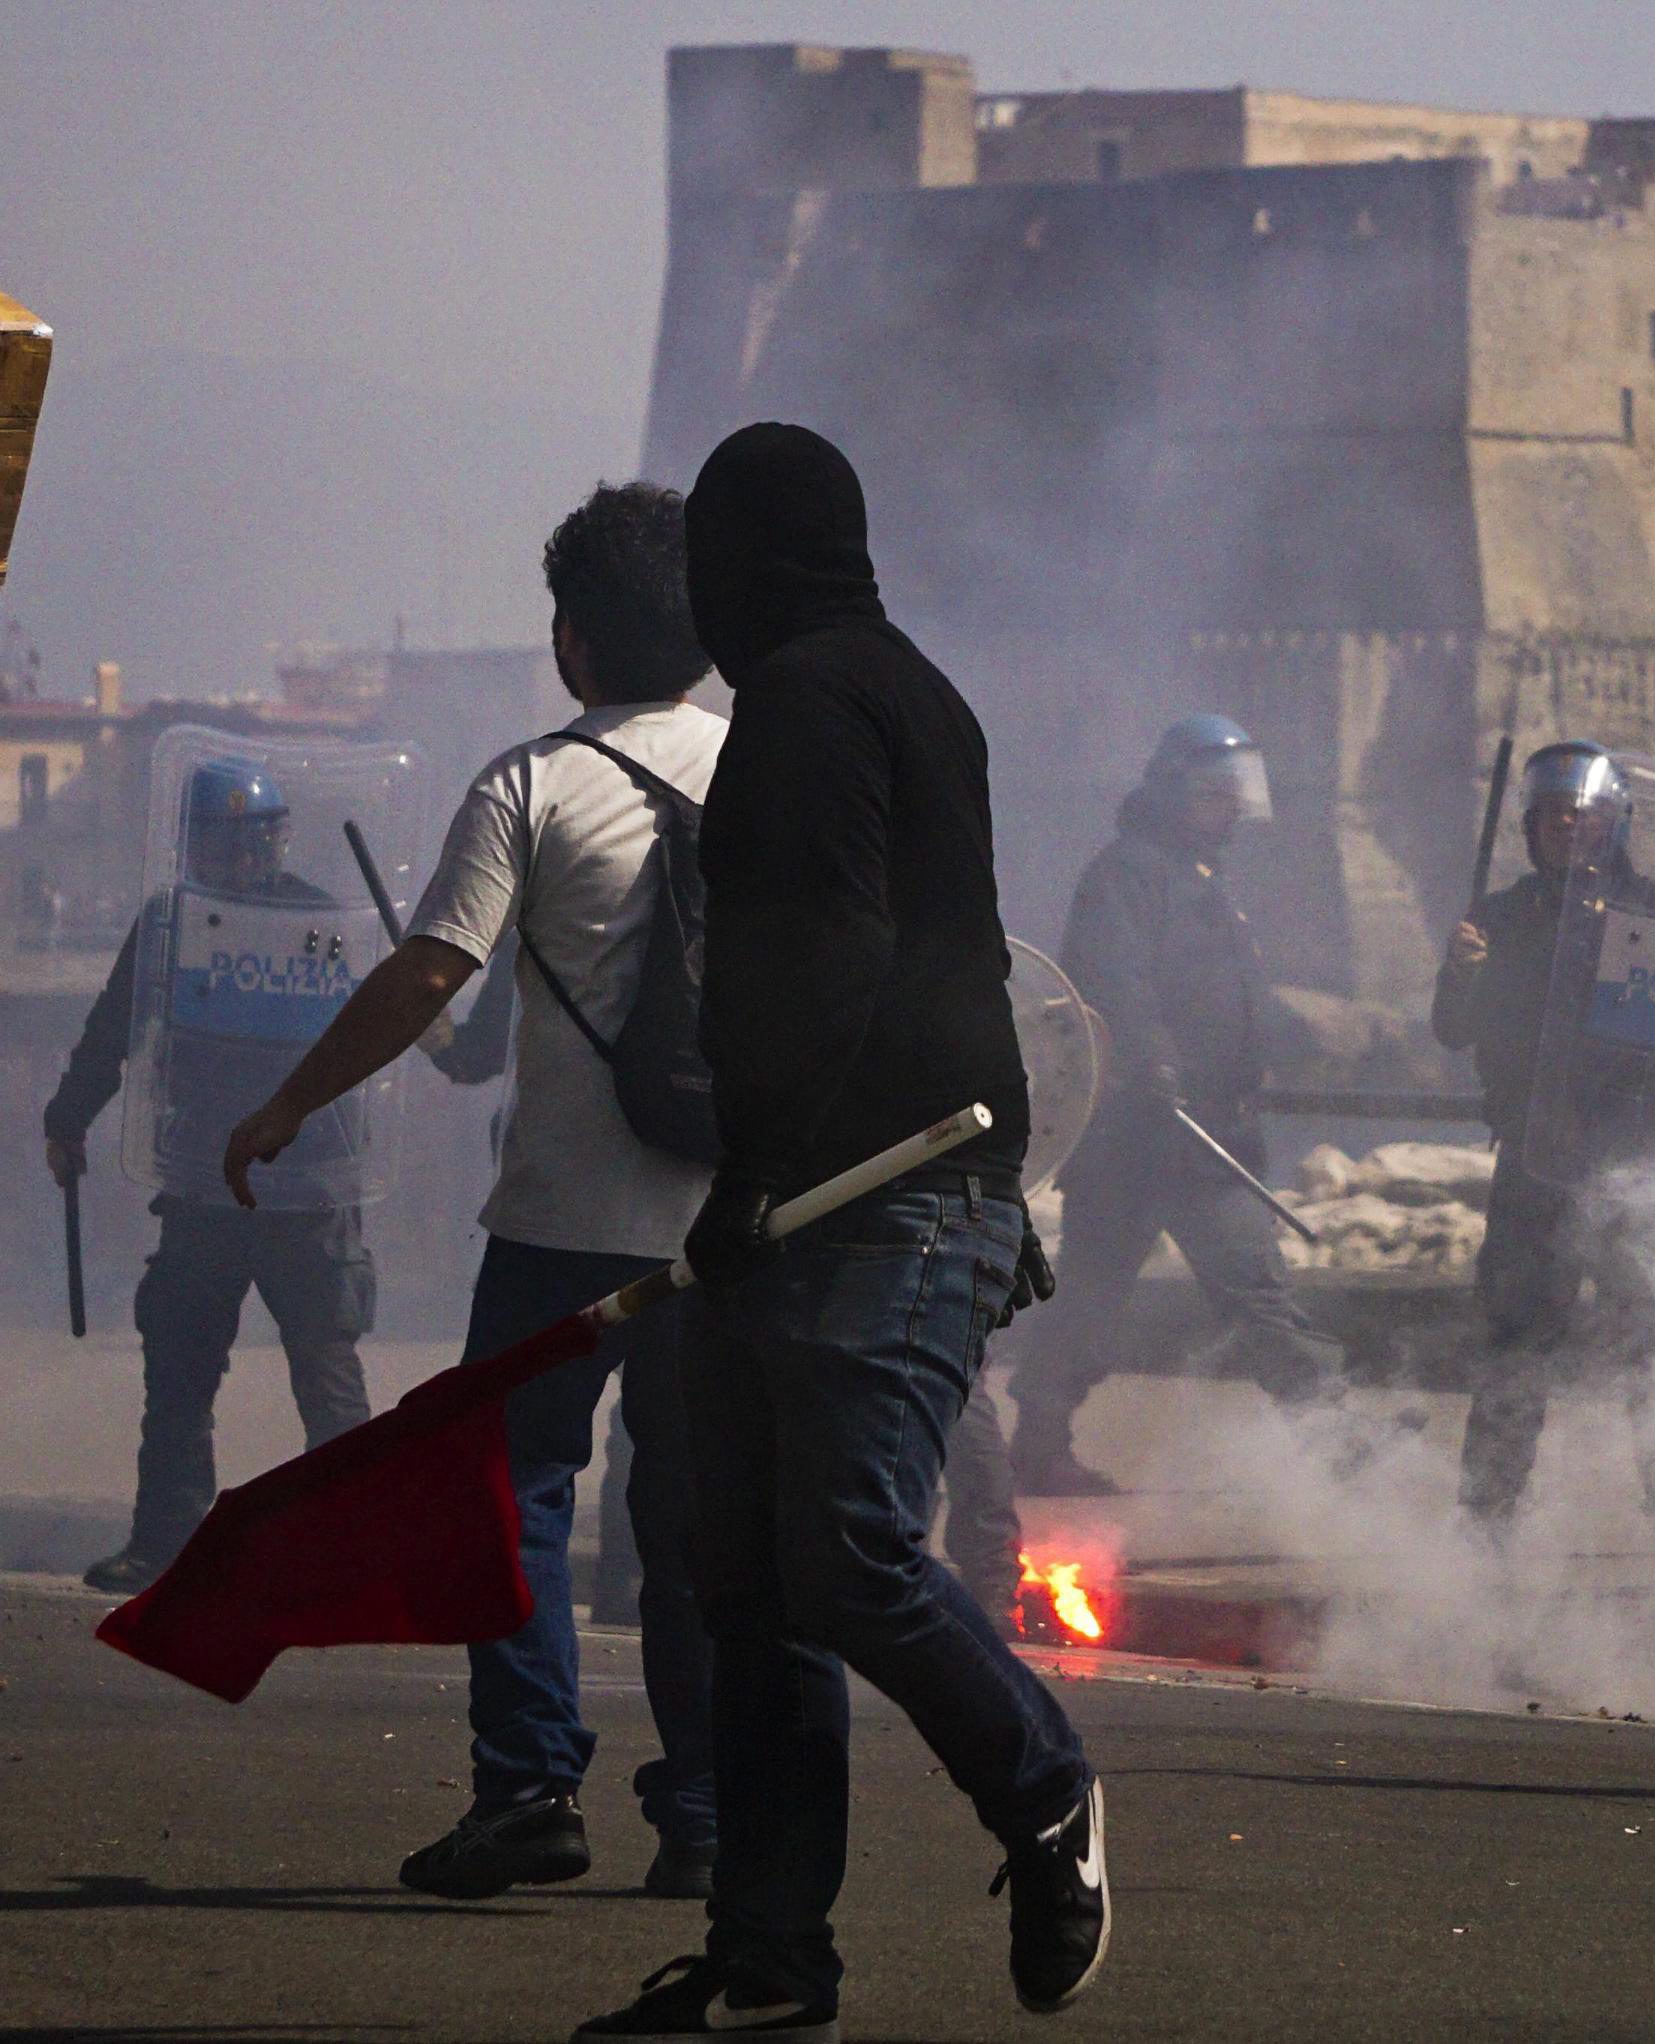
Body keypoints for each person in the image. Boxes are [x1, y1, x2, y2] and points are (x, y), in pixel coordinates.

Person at [572, 423, 1100, 2039]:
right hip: (854, 1190)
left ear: (753, 560)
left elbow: (835, 955)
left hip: (868, 1199)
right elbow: (940, 950)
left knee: (849, 1554)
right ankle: (769, 1958)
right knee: (752, 1590)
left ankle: (1045, 1786)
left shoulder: (810, 702)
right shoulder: (905, 687)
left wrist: (757, 1171)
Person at [222, 483, 725, 1900]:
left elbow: (433, 971)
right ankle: (704, 1815)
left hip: (559, 1224)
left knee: (511, 1493)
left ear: (572, 639)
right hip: (721, 1227)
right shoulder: (764, 772)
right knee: (691, 1523)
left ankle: (528, 1790)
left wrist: (287, 1104)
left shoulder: (532, 783)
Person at [45, 759, 373, 1593]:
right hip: (203, 1185)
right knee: (180, 1376)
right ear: (193, 845)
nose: (242, 857)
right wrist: (69, 1117)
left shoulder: (321, 923)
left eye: (255, 839)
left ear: (280, 840)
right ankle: (165, 1546)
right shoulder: (171, 924)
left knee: (327, 1378)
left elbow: (366, 1045)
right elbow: (113, 1029)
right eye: (224, 842)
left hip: (306, 1190)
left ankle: (353, 1554)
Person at [1002, 714, 1342, 1500]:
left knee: (1256, 1291)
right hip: (1138, 1137)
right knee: (1090, 1300)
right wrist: (1153, 1060)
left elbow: (1231, 996)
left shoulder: (1204, 878)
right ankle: (1040, 1444)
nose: (1228, 808)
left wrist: (1291, 1037)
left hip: (1212, 1132)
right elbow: (1114, 980)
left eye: (1234, 794)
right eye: (1212, 793)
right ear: (1173, 791)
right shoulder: (1127, 874)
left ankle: (1340, 1438)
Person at [1432, 740, 1655, 1525]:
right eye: (1553, 817)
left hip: (1632, 1169)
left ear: (1616, 822)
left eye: (1585, 815)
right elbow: (1452, 1030)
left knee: (1653, 1347)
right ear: (1531, 826)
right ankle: (1486, 1518)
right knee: (1517, 1344)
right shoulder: (1502, 918)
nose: (1568, 828)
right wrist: (1462, 972)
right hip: (1537, 1164)